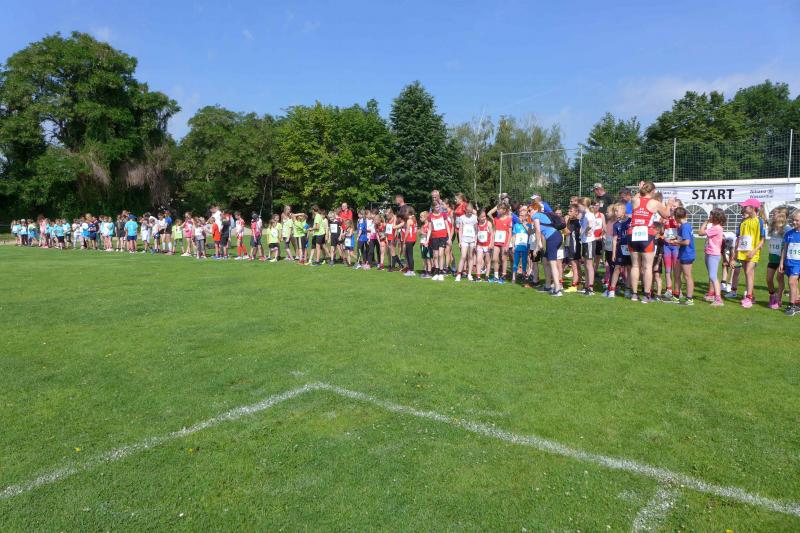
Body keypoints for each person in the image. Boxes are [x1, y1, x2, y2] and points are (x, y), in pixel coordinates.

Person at [628, 182, 674, 303]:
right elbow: (667, 215)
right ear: (653, 191)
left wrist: (639, 190)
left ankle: (634, 295)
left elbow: (636, 197)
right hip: (646, 234)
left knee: (635, 265)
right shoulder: (655, 203)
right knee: (647, 266)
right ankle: (646, 295)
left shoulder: (635, 200)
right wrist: (669, 205)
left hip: (632, 232)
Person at [732, 199, 766, 308]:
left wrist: (754, 251)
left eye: (745, 206)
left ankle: (749, 298)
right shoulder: (743, 221)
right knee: (749, 275)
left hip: (753, 252)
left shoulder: (760, 221)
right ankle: (752, 296)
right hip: (743, 252)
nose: (743, 208)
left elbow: (762, 239)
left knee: (748, 272)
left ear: (752, 208)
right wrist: (736, 252)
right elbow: (739, 238)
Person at [698, 208, 726, 307]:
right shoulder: (716, 227)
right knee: (711, 275)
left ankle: (718, 299)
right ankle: (712, 295)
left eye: (711, 215)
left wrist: (705, 222)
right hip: (710, 253)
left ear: (716, 217)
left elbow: (700, 232)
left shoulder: (716, 228)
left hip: (713, 254)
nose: (709, 217)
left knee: (713, 276)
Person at [669, 206, 695, 305]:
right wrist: (675, 239)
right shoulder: (683, 226)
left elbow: (687, 242)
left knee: (687, 276)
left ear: (677, 217)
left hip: (687, 254)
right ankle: (676, 296)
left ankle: (689, 299)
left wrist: (676, 242)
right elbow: (682, 238)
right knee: (676, 274)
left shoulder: (685, 227)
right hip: (682, 254)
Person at [766, 207, 789, 310]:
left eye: (774, 214)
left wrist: (782, 261)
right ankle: (772, 295)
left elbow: (786, 244)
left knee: (779, 278)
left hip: (781, 259)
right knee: (769, 279)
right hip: (772, 258)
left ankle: (778, 300)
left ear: (780, 216)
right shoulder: (772, 227)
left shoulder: (787, 229)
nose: (773, 216)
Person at [607, 203, 631, 298]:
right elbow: (614, 239)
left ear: (623, 211)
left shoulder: (630, 221)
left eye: (617, 211)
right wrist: (613, 253)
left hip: (630, 248)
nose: (616, 213)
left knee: (629, 269)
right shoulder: (616, 224)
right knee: (617, 268)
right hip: (620, 249)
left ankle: (627, 290)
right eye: (615, 211)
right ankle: (612, 289)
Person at [778, 211, 800, 316]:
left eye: (797, 220)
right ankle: (797, 304)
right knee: (793, 284)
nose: (794, 222)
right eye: (793, 220)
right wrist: (782, 262)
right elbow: (785, 249)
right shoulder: (789, 234)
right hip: (789, 263)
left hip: (798, 264)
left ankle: (791, 306)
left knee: (791, 282)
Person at [426, 205, 451, 281]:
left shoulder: (443, 215)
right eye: (436, 207)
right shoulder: (430, 216)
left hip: (443, 237)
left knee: (441, 254)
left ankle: (441, 272)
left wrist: (449, 238)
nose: (438, 208)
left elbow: (447, 226)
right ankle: (436, 272)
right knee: (435, 255)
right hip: (434, 237)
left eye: (439, 207)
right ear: (433, 208)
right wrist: (427, 240)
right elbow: (429, 229)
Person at [490, 204, 512, 284]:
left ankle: (503, 275)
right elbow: (494, 231)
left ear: (504, 210)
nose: (498, 210)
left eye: (499, 209)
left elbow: (510, 233)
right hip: (496, 242)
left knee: (503, 259)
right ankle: (496, 276)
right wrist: (492, 242)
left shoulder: (509, 219)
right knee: (494, 258)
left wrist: (507, 244)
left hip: (504, 242)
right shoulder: (496, 219)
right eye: (498, 209)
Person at [455, 203, 478, 282]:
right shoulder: (462, 218)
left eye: (471, 212)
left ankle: (469, 274)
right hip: (464, 239)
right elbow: (460, 230)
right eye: (468, 212)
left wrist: (475, 241)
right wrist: (460, 241)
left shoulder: (474, 218)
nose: (469, 213)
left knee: (471, 257)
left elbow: (476, 230)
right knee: (463, 256)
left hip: (472, 240)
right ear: (465, 210)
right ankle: (459, 274)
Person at [474, 210, 493, 282]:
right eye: (482, 217)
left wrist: (491, 244)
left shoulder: (488, 223)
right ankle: (478, 276)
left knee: (487, 261)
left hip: (487, 245)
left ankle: (487, 276)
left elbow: (492, 234)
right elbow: (476, 234)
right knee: (478, 260)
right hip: (480, 245)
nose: (483, 218)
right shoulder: (476, 224)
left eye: (484, 216)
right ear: (478, 217)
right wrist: (475, 244)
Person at [402, 207, 417, 276]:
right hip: (413, 239)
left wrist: (404, 240)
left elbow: (407, 231)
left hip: (409, 239)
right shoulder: (414, 219)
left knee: (409, 255)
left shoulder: (409, 220)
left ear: (408, 213)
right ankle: (410, 270)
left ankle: (411, 271)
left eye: (405, 212)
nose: (404, 213)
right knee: (408, 254)